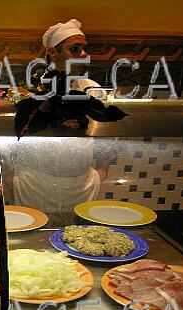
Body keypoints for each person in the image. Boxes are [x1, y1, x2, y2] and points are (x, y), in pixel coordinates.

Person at [7, 19, 120, 212]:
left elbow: (108, 133)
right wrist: (9, 177)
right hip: (33, 183)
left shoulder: (93, 90)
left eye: (84, 48)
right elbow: (8, 136)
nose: (84, 54)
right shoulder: (27, 89)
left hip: (82, 185)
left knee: (79, 238)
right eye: (75, 49)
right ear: (53, 52)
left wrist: (102, 170)